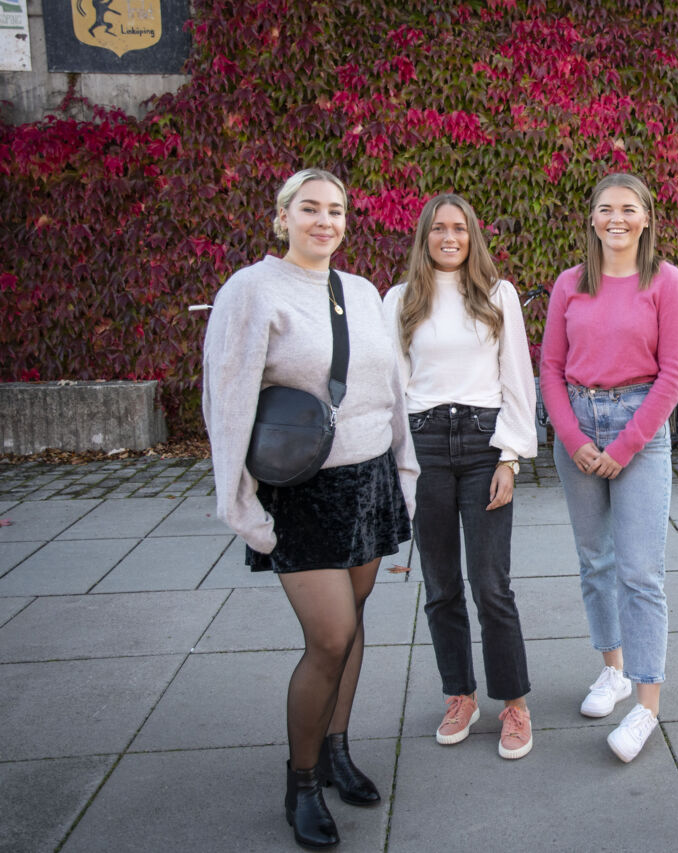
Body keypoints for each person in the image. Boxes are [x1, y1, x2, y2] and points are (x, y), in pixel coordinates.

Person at [203, 168, 417, 849]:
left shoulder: (358, 290)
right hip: (302, 492)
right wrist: (238, 502)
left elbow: (393, 387)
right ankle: (300, 780)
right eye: (310, 209)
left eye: (337, 210)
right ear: (283, 216)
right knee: (328, 638)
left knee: (352, 629)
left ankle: (335, 749)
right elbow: (229, 398)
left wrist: (402, 471)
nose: (325, 220)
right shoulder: (252, 288)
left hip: (370, 478)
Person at [540, 173, 678, 763]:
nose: (617, 219)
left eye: (629, 209)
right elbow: (550, 367)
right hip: (578, 426)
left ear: (647, 218)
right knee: (594, 561)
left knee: (640, 571)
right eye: (606, 209)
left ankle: (646, 707)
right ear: (593, 218)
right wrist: (572, 437)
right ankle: (614, 670)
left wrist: (624, 446)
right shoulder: (570, 284)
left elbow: (674, 374)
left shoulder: (666, 282)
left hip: (640, 430)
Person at [383, 194, 539, 760]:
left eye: (460, 228)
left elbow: (517, 379)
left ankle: (514, 704)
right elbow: (394, 392)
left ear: (473, 236)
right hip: (424, 447)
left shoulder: (499, 296)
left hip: (482, 444)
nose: (450, 237)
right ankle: (461, 695)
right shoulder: (399, 301)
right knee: (441, 586)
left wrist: (511, 458)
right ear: (424, 236)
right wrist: (401, 467)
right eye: (439, 228)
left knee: (491, 585)